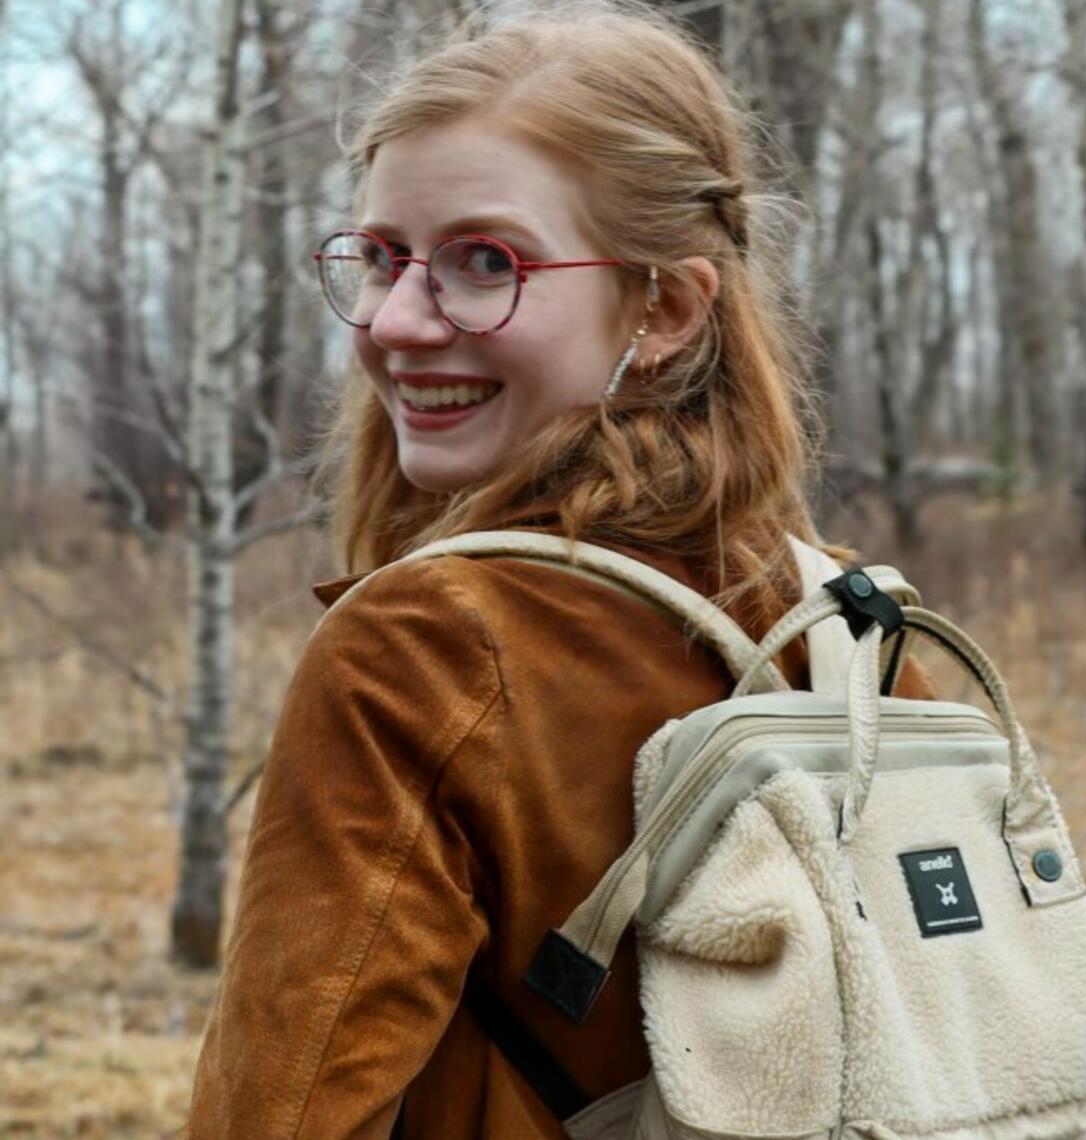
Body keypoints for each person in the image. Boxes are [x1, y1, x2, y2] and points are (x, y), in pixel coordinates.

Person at [182, 4, 933, 1138]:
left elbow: (284, 1112)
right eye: (382, 257)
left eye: (485, 261)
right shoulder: (841, 616)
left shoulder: (424, 647)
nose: (394, 319)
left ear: (668, 307)